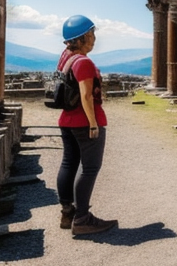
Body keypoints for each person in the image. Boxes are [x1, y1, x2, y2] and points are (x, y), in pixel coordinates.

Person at [55, 15, 117, 235]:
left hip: (67, 120)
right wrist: (93, 124)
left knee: (69, 164)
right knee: (90, 168)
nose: (94, 39)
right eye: (91, 35)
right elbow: (86, 95)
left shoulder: (66, 58)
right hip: (84, 122)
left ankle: (67, 212)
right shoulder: (83, 62)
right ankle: (82, 219)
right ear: (81, 38)